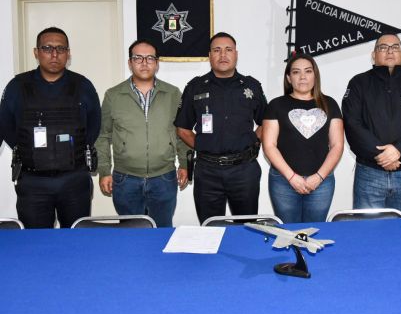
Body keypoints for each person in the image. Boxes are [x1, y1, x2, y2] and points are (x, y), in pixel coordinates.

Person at [0, 26, 101, 228]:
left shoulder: (83, 85)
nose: (54, 54)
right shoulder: (17, 86)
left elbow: (94, 126)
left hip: (74, 180)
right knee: (35, 241)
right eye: (47, 48)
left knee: (76, 238)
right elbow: (6, 127)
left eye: (60, 48)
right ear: (36, 52)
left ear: (68, 53)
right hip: (33, 182)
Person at [342, 33, 401, 217]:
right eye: (383, 47)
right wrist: (383, 156)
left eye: (395, 47)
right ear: (374, 55)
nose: (389, 51)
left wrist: (399, 149)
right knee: (367, 230)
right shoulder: (358, 83)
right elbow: (352, 123)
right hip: (369, 174)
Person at [175, 32, 267, 224]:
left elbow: (266, 122)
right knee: (210, 228)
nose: (223, 55)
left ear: (236, 54)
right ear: (210, 56)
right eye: (217, 50)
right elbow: (182, 129)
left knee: (247, 227)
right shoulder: (195, 87)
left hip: (244, 171)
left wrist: (253, 142)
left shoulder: (251, 86)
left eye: (228, 50)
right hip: (207, 172)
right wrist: (204, 145)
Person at [95, 39, 189, 227]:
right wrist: (104, 171)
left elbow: (181, 132)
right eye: (138, 58)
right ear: (130, 63)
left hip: (164, 177)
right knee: (131, 234)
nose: (144, 63)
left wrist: (185, 163)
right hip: (125, 179)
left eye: (150, 58)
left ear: (157, 63)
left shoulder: (173, 94)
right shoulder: (113, 95)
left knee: (162, 232)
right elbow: (103, 136)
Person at [262, 53, 344, 223]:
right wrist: (292, 177)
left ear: (315, 75)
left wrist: (319, 177)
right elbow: (269, 145)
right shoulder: (276, 105)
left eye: (308, 71)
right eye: (296, 72)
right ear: (288, 78)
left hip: (321, 182)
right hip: (283, 181)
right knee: (288, 232)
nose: (302, 77)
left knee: (315, 231)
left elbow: (337, 145)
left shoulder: (330, 104)